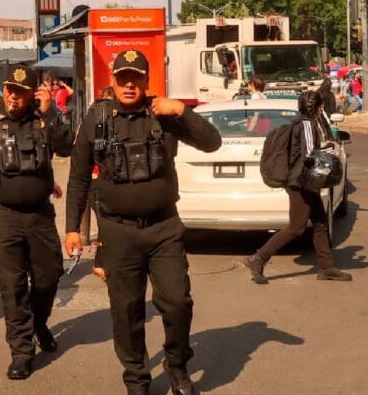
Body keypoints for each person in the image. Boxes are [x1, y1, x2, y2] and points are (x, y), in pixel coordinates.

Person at [65, 50, 222, 395]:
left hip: (164, 228)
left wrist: (181, 110)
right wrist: (73, 229)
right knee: (126, 310)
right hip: (118, 232)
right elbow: (78, 179)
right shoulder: (97, 118)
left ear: (147, 81)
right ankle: (136, 378)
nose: (130, 84)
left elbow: (212, 142)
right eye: (123, 78)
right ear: (113, 81)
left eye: (137, 77)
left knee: (178, 301)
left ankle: (177, 364)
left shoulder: (163, 115)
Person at [0, 64, 73, 380]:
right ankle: (21, 351)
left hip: (39, 215)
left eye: (21, 92)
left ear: (32, 93)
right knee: (13, 286)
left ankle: (39, 324)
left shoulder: (42, 120)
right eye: (9, 90)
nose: (14, 97)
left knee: (49, 277)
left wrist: (49, 113)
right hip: (1, 216)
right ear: (2, 90)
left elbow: (67, 146)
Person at [243, 91, 351, 284]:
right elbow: (309, 154)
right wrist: (328, 150)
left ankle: (327, 268)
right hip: (301, 183)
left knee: (320, 223)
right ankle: (257, 258)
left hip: (302, 181)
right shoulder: (308, 125)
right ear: (318, 108)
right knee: (296, 227)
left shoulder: (299, 123)